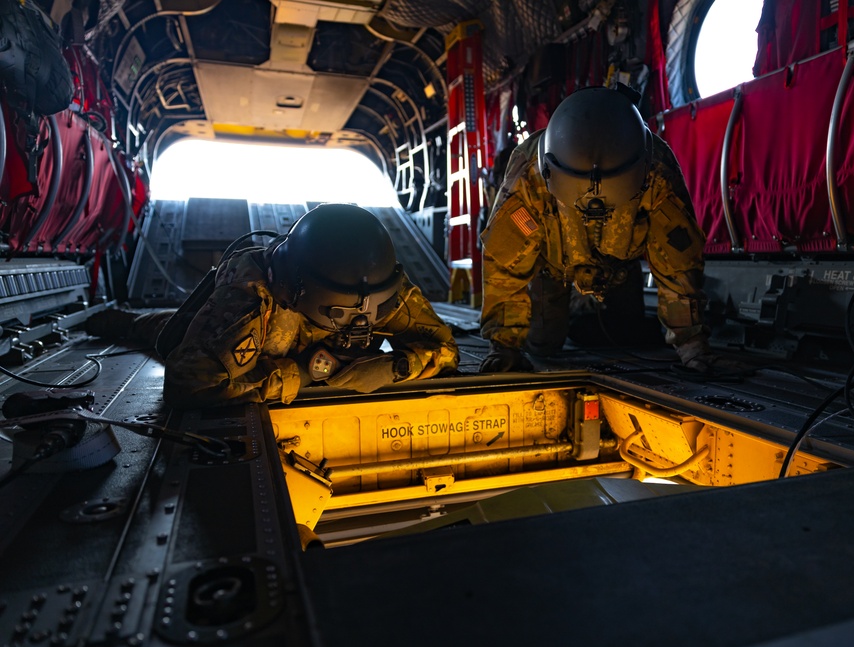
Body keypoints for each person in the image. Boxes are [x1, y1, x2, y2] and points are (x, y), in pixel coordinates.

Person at [90, 204, 459, 407]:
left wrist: (397, 367)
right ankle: (115, 320)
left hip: (298, 343)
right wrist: (299, 374)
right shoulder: (251, 296)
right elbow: (191, 385)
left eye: (370, 313)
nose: (360, 323)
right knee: (159, 329)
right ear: (298, 290)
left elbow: (445, 349)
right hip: (269, 341)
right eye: (340, 314)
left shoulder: (381, 286)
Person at [479, 86, 727, 373]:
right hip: (552, 269)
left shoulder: (657, 172)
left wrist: (692, 346)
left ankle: (590, 322)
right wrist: (504, 346)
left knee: (627, 339)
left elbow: (679, 265)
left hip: (620, 266)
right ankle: (563, 321)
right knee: (543, 346)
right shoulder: (528, 176)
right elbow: (505, 265)